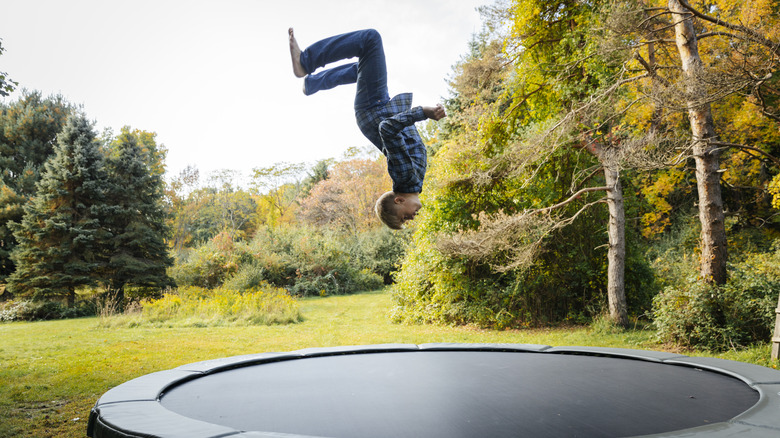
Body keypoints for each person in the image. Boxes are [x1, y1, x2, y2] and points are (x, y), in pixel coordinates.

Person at [288, 28, 446, 229]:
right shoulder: (414, 181)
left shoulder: (405, 177)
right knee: (363, 68)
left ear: (399, 201)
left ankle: (305, 62)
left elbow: (387, 128)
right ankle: (311, 83)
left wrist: (423, 112)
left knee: (370, 40)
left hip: (374, 108)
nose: (411, 218)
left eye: (404, 218)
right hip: (376, 109)